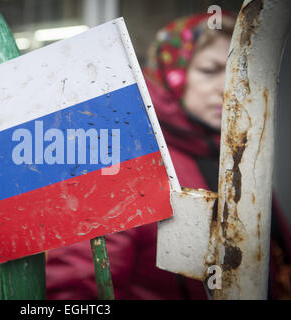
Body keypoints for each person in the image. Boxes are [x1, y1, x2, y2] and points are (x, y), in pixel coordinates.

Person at [45, 12, 291, 299]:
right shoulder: (130, 159)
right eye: (210, 70)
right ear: (170, 72)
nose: (228, 88)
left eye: (238, 73)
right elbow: (79, 288)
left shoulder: (241, 156)